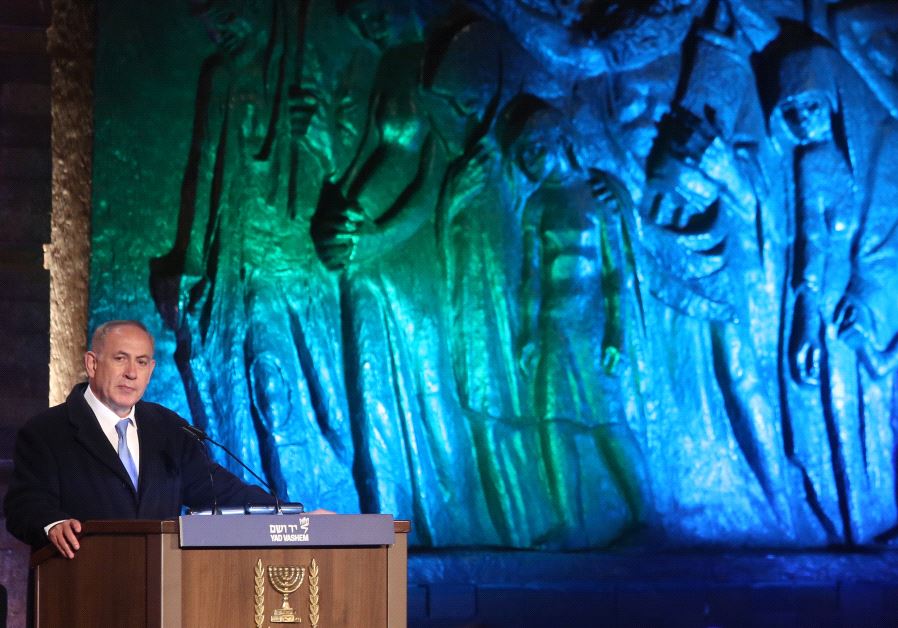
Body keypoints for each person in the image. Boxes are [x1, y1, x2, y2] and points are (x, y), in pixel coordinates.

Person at [4, 320, 281, 558]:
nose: (132, 373)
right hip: (80, 585)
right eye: (120, 358)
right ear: (92, 363)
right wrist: (52, 524)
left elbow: (218, 490)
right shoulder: (47, 431)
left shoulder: (169, 428)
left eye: (141, 362)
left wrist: (286, 513)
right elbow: (23, 505)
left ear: (151, 370)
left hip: (159, 586)